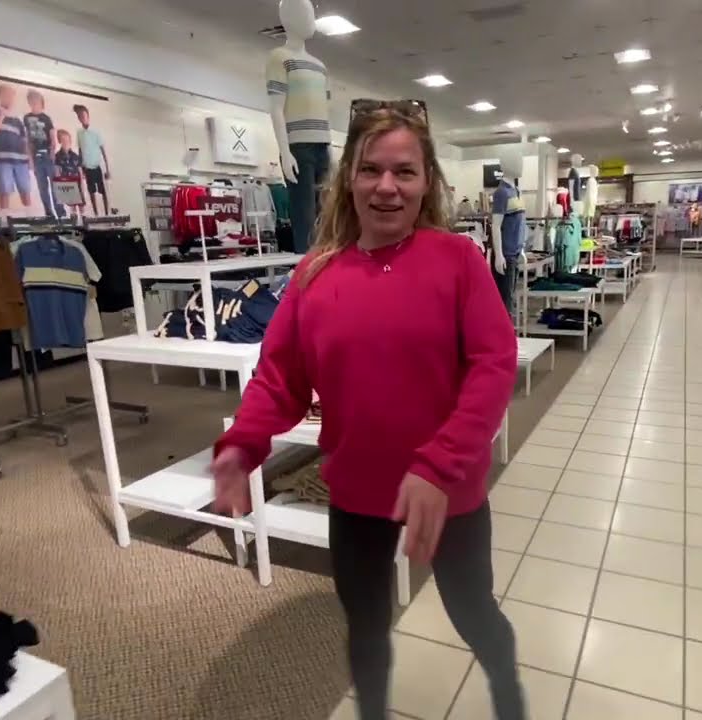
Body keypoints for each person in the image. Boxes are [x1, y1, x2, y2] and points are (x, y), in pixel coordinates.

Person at [210, 102, 524, 720]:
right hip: (354, 494)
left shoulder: (457, 261)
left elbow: (493, 364)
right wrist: (245, 441)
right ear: (348, 178)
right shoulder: (314, 276)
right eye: (371, 170)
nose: (387, 187)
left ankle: (509, 696)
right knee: (366, 624)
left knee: (473, 612)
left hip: (448, 493)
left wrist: (439, 466)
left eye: (404, 172)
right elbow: (281, 376)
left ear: (426, 181)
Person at [0, 84, 31, 212]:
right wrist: (1, 116)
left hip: (21, 161)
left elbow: (24, 141)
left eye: (11, 95)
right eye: (6, 95)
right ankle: (5, 220)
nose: (10, 98)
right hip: (2, 160)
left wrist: (29, 160)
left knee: (25, 190)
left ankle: (30, 217)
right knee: (4, 191)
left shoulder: (17, 119)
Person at [23, 89, 63, 218]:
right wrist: (30, 160)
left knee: (54, 185)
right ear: (29, 102)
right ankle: (49, 213)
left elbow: (52, 139)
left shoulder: (46, 118)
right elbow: (27, 140)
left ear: (41, 103)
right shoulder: (27, 118)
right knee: (42, 188)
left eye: (37, 101)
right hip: (36, 157)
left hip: (47, 155)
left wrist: (52, 154)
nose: (35, 104)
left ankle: (60, 212)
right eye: (32, 101)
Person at [72, 104, 110, 215]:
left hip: (97, 166)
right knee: (91, 191)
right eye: (80, 116)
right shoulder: (79, 133)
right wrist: (81, 169)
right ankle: (96, 214)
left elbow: (103, 150)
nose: (82, 118)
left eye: (83, 115)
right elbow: (80, 151)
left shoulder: (96, 132)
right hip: (87, 167)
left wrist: (107, 169)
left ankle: (107, 213)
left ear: (88, 116)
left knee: (103, 191)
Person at [53, 130, 85, 218]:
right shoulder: (57, 156)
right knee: (72, 206)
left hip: (77, 183)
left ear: (70, 141)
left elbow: (80, 171)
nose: (66, 142)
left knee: (81, 204)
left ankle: (83, 219)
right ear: (60, 141)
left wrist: (82, 185)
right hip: (67, 184)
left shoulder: (75, 156)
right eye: (63, 140)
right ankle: (74, 221)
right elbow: (57, 172)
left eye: (67, 140)